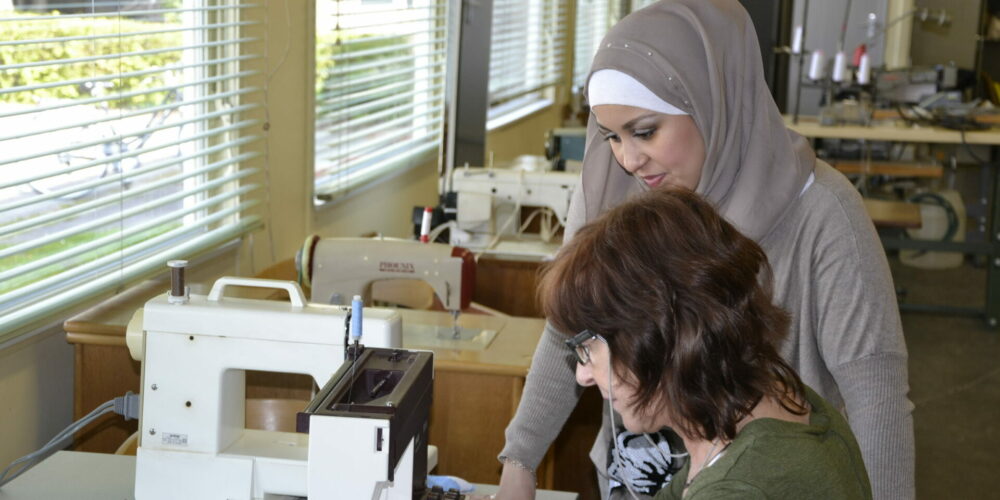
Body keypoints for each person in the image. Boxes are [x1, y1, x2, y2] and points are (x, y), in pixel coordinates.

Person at [495, 1, 913, 499]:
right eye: (610, 136)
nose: (628, 159)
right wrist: (519, 463)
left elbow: (877, 398)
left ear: (711, 100)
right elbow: (571, 332)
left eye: (645, 131)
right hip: (642, 479)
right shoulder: (612, 189)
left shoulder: (822, 212)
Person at [538, 187, 872, 499]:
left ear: (655, 342)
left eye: (588, 348)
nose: (583, 375)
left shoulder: (739, 486)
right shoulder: (780, 403)